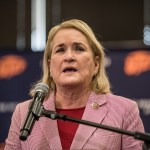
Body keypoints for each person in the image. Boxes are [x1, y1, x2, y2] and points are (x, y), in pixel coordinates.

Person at [5, 19, 145, 150]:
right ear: (50, 65)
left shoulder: (124, 111)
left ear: (96, 64)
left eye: (79, 49)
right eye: (60, 50)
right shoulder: (23, 113)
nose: (69, 57)